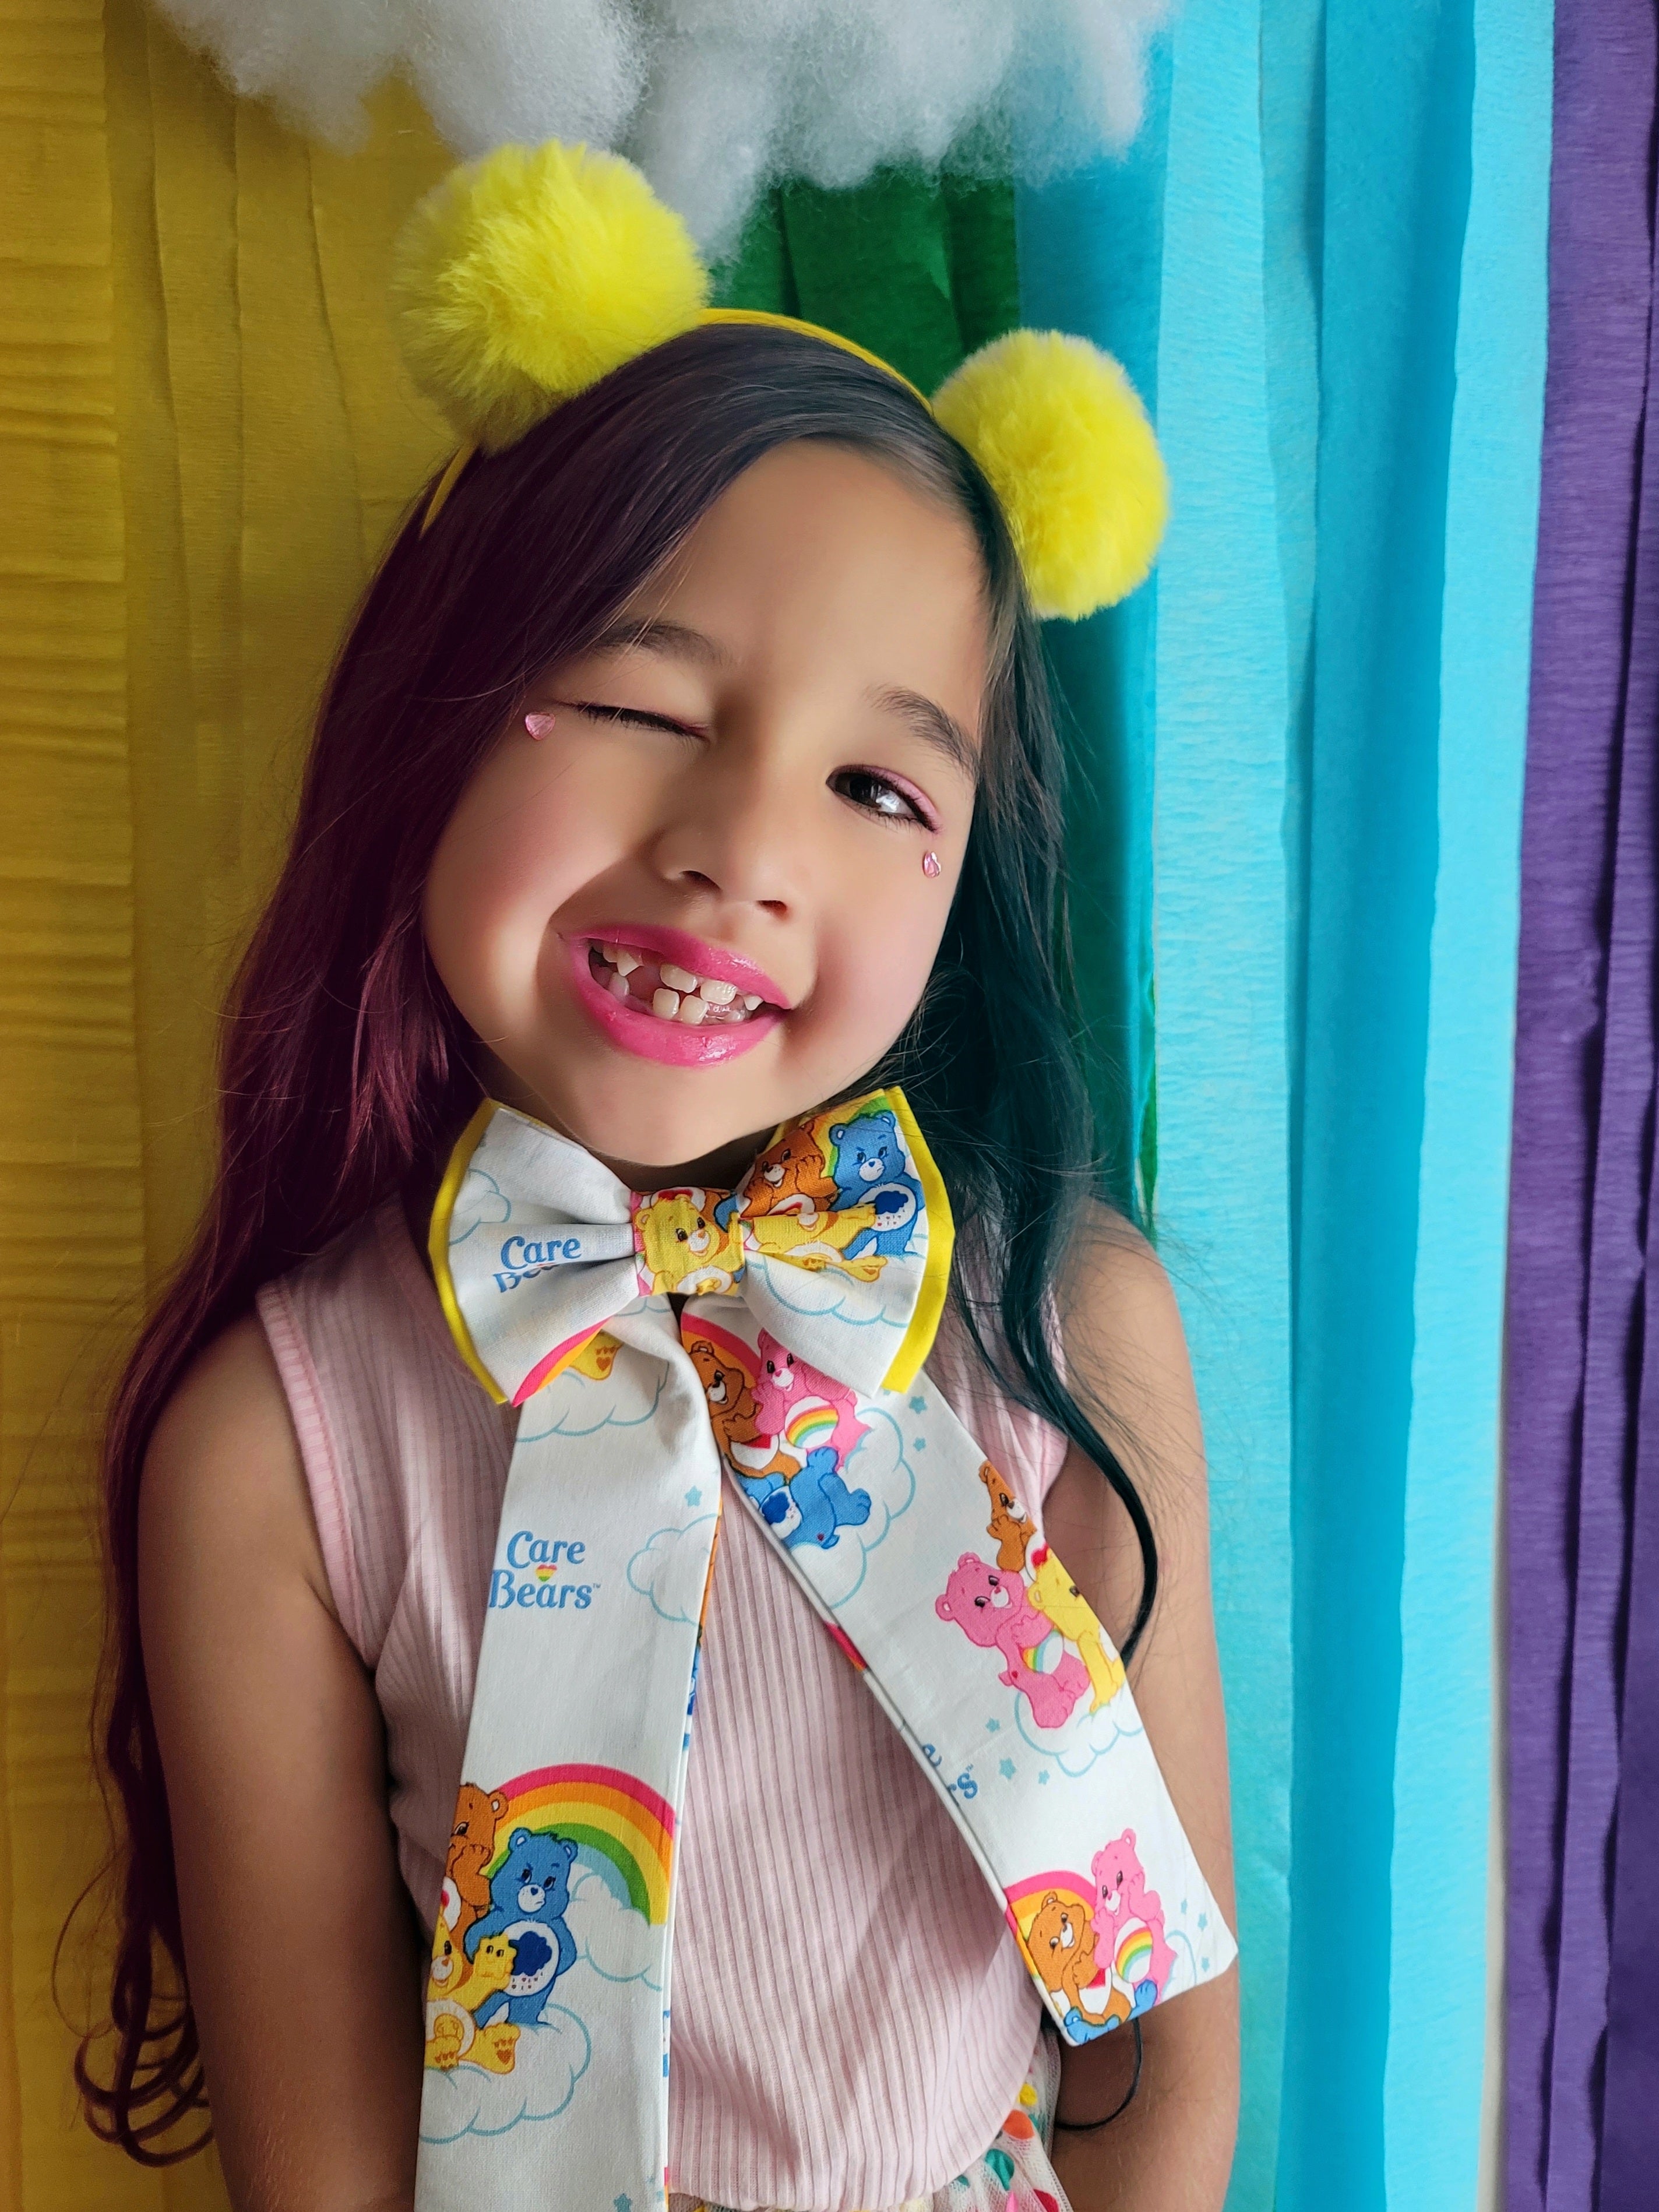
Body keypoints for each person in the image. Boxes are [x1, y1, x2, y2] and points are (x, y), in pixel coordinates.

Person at [84, 142, 1238, 2212]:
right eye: (636, 699)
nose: (743, 848)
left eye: (875, 781)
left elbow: (1164, 2061)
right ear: (438, 718)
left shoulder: (1071, 1329)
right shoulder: (274, 1450)